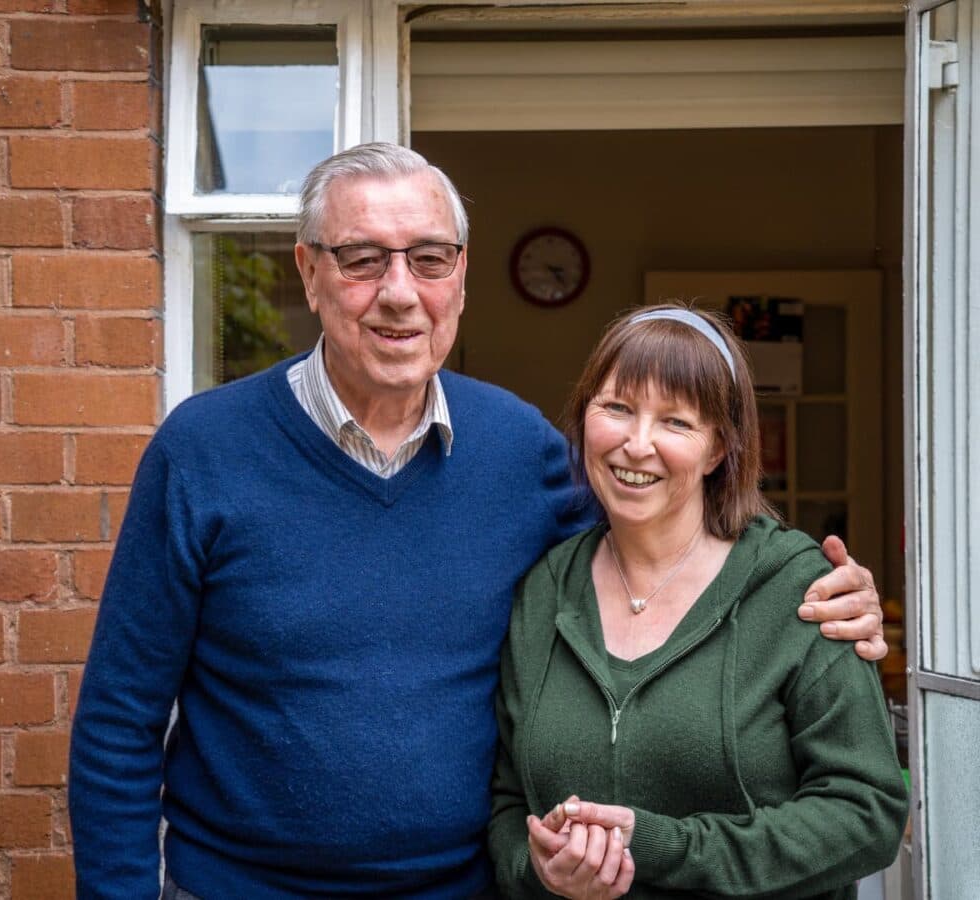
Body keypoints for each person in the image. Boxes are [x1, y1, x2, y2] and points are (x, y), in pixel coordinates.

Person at [69, 144, 888, 900]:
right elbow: (118, 722)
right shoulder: (203, 451)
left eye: (429, 259)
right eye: (362, 259)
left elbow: (660, 510)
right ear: (309, 273)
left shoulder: (518, 449)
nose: (400, 292)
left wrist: (809, 584)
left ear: (459, 277)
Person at [488, 305, 908, 900]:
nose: (637, 445)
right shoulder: (545, 590)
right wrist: (539, 870)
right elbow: (507, 804)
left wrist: (663, 846)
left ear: (718, 450)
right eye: (617, 409)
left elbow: (867, 815)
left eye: (676, 422)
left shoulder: (799, 590)